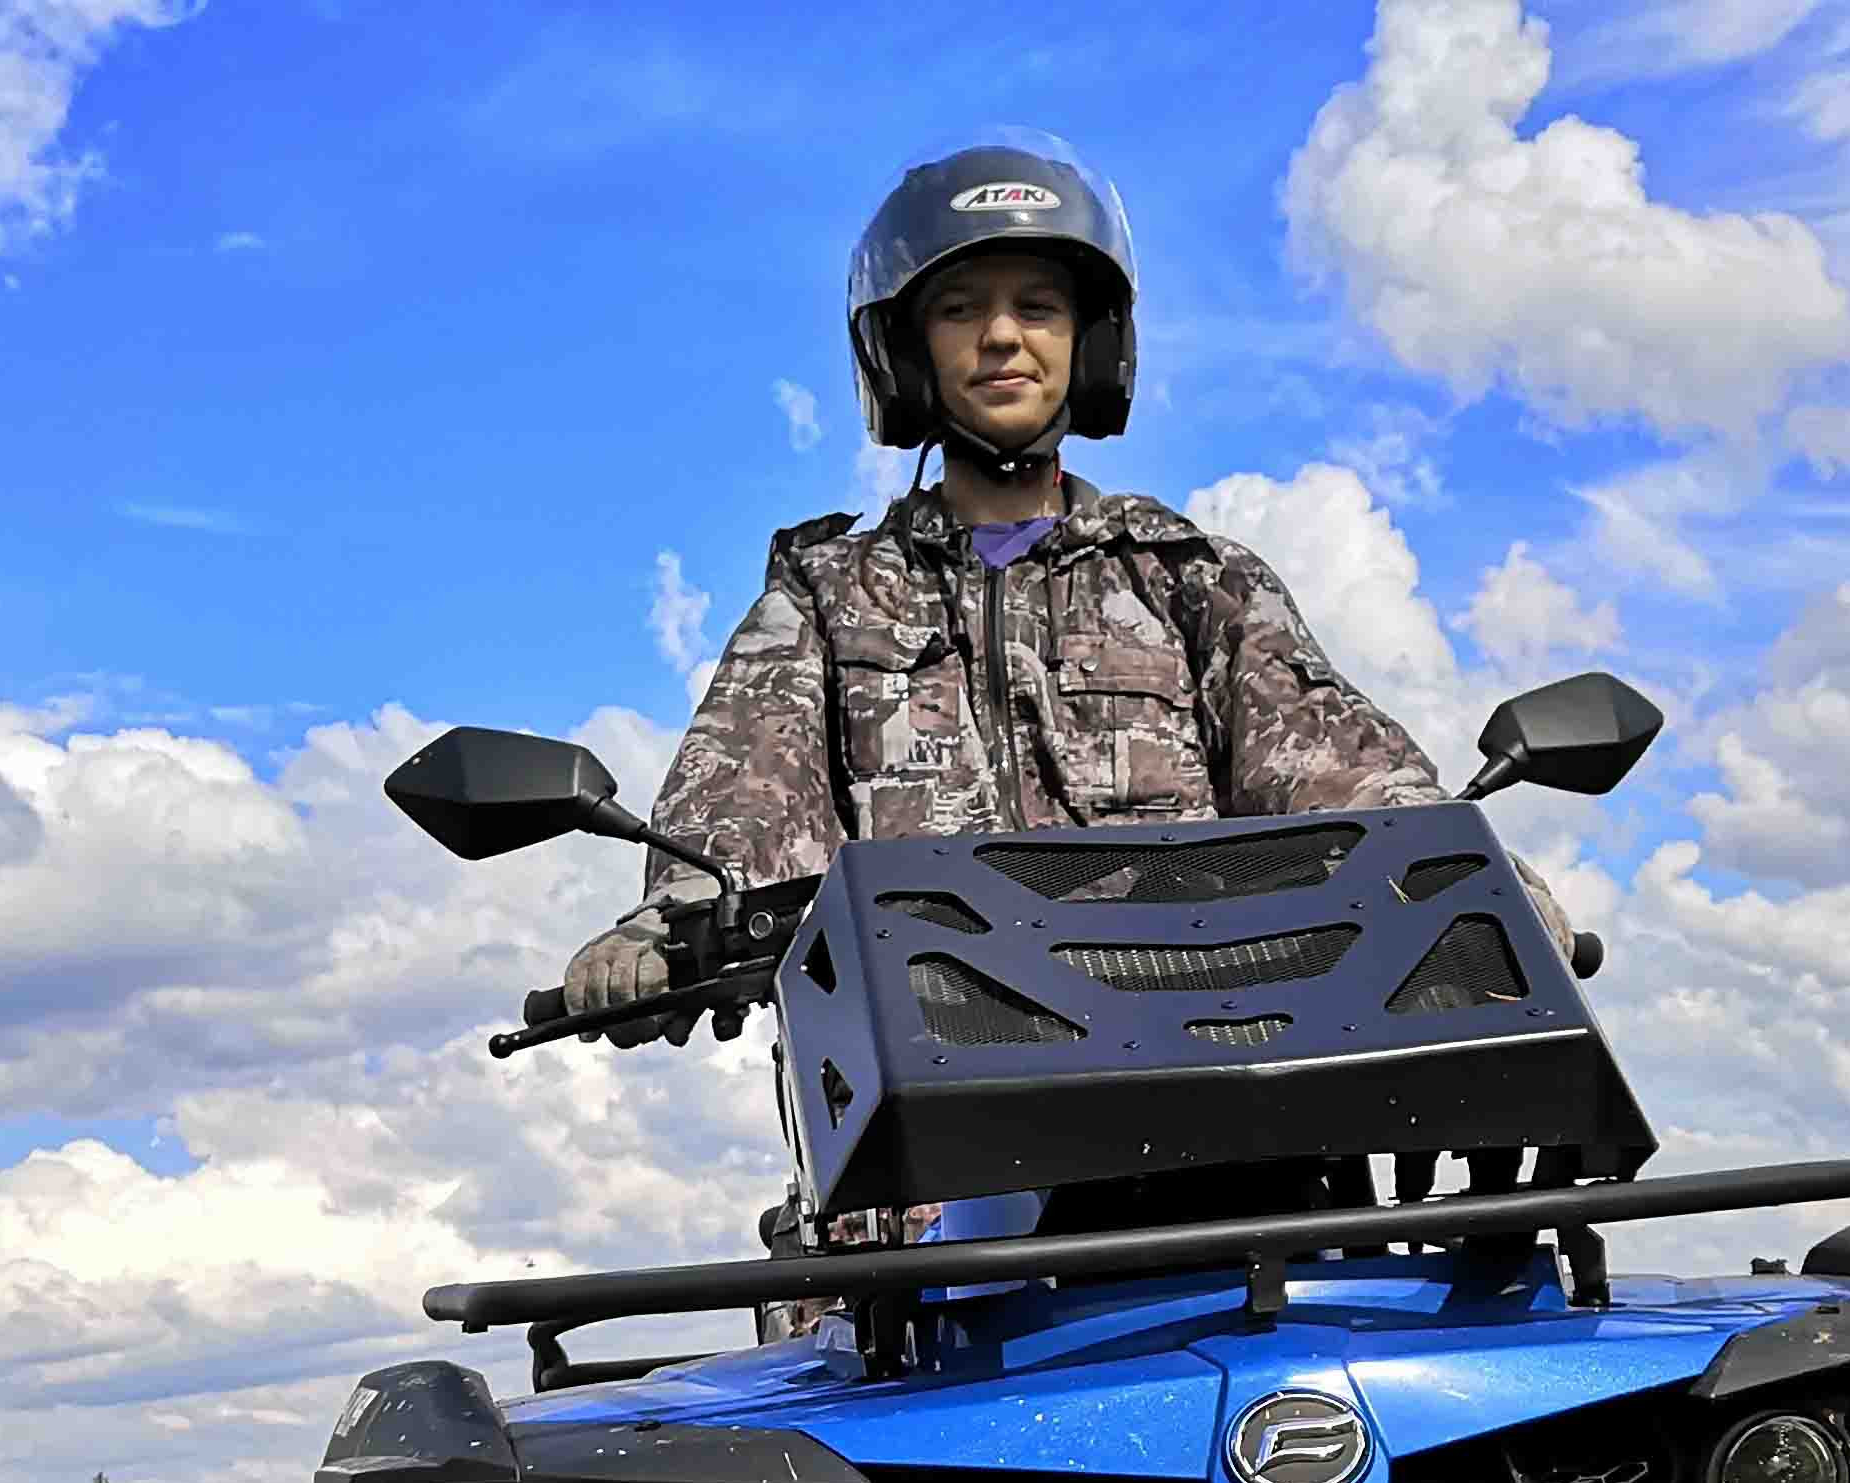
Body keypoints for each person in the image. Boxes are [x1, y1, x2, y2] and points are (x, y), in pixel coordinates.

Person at [557, 138, 1461, 1037]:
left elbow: (1335, 765)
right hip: (940, 1086)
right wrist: (669, 921)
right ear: (908, 354)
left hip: (1222, 1059)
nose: (1001, 336)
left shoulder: (1190, 579)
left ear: (1090, 343)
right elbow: (749, 791)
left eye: (1038, 307)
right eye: (960, 309)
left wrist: (1452, 873)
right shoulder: (829, 600)